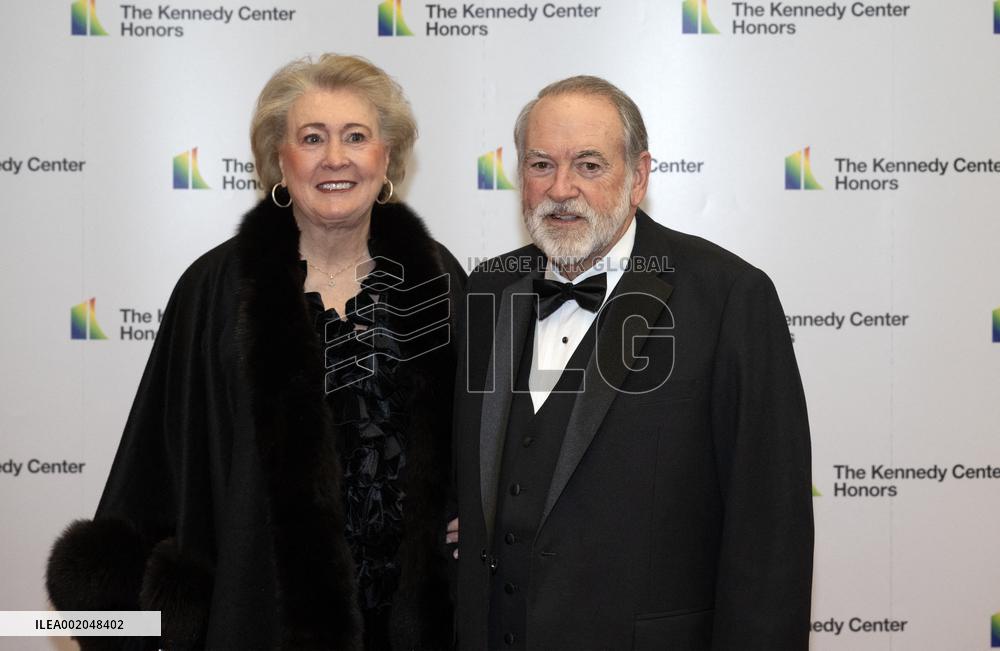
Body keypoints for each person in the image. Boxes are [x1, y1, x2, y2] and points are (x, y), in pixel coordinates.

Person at [46, 54, 463, 650]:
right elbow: (160, 459)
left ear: (387, 156)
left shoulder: (439, 279)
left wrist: (474, 511)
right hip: (259, 617)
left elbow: (482, 435)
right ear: (279, 159)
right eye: (311, 138)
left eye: (356, 137)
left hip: (409, 624)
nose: (335, 158)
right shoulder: (214, 289)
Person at [454, 76, 813, 650]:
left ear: (639, 176)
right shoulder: (488, 288)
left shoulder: (728, 297)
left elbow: (769, 529)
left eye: (589, 165)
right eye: (541, 165)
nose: (561, 189)